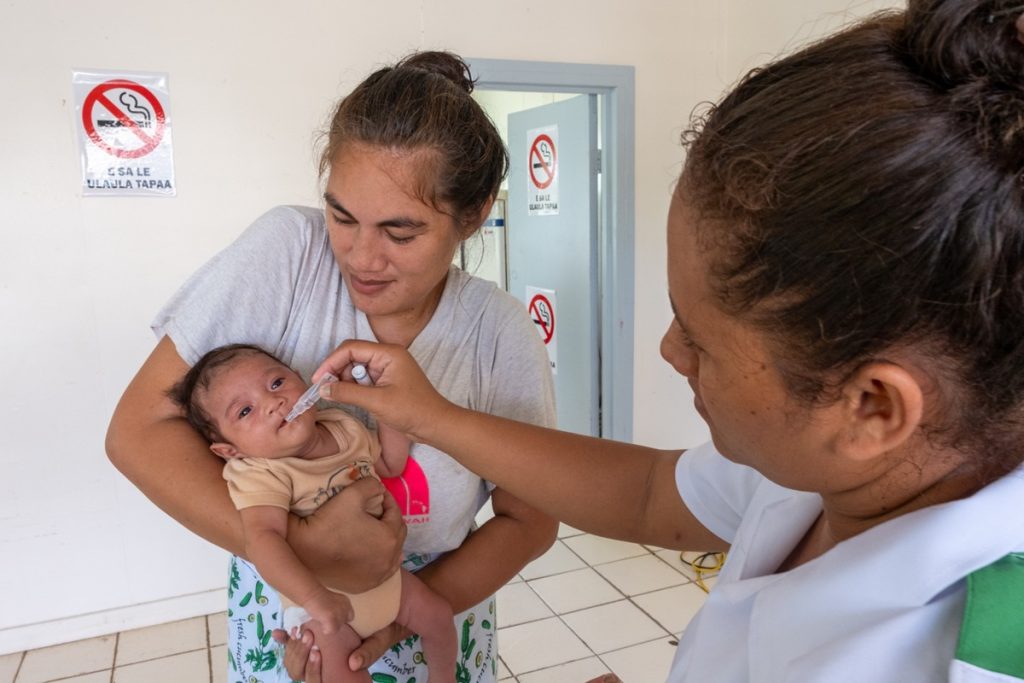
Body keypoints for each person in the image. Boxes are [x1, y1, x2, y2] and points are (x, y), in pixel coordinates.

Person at [303, 1, 1024, 680]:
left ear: (871, 408)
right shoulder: (825, 470)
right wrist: (432, 416)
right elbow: (648, 492)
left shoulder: (967, 655)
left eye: (701, 340)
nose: (668, 351)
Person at [105, 50, 558, 683]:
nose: (360, 256)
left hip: (436, 609)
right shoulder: (287, 254)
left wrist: (402, 615)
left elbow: (529, 520)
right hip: (297, 612)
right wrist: (308, 553)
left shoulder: (500, 332)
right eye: (341, 216)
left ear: (475, 214)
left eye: (401, 233)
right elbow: (135, 430)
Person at [167, 343, 456, 683]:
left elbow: (391, 464)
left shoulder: (343, 427)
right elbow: (262, 540)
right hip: (324, 610)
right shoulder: (261, 472)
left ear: (303, 382)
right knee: (344, 672)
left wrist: (386, 407)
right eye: (245, 411)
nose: (274, 403)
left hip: (389, 581)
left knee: (439, 616)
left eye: (276, 384)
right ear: (230, 450)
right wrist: (315, 599)